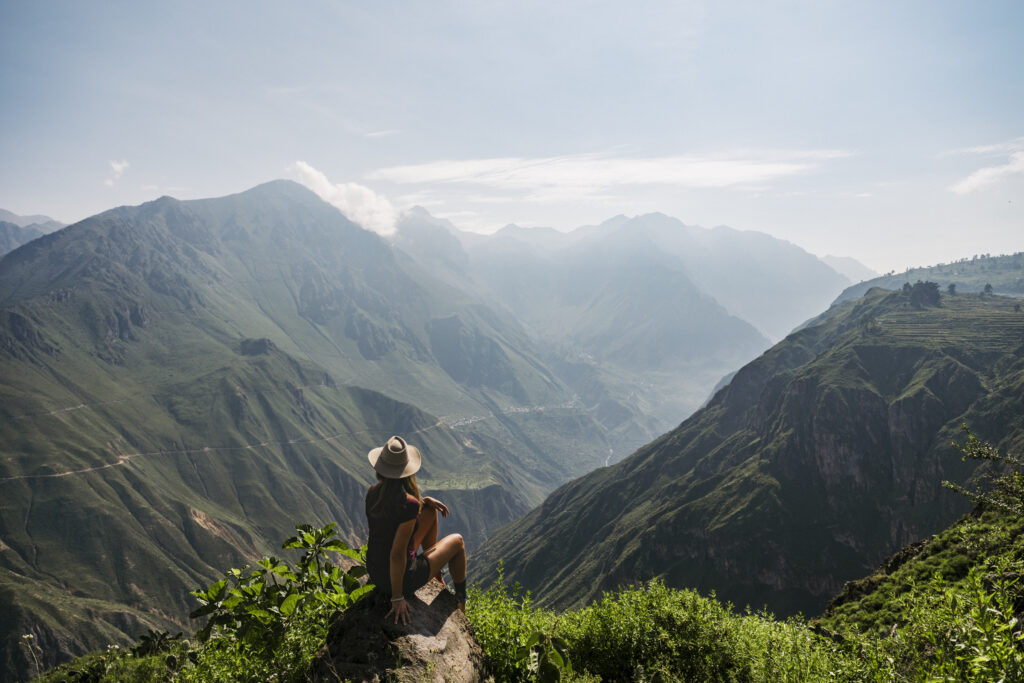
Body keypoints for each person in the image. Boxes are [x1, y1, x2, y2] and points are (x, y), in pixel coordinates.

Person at [365, 435, 467, 625]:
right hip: (402, 579)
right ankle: (461, 600)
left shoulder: (372, 493)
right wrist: (397, 597)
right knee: (458, 541)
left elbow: (388, 522)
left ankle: (435, 575)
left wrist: (423, 502)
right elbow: (397, 554)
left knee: (430, 511)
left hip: (376, 572)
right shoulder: (408, 505)